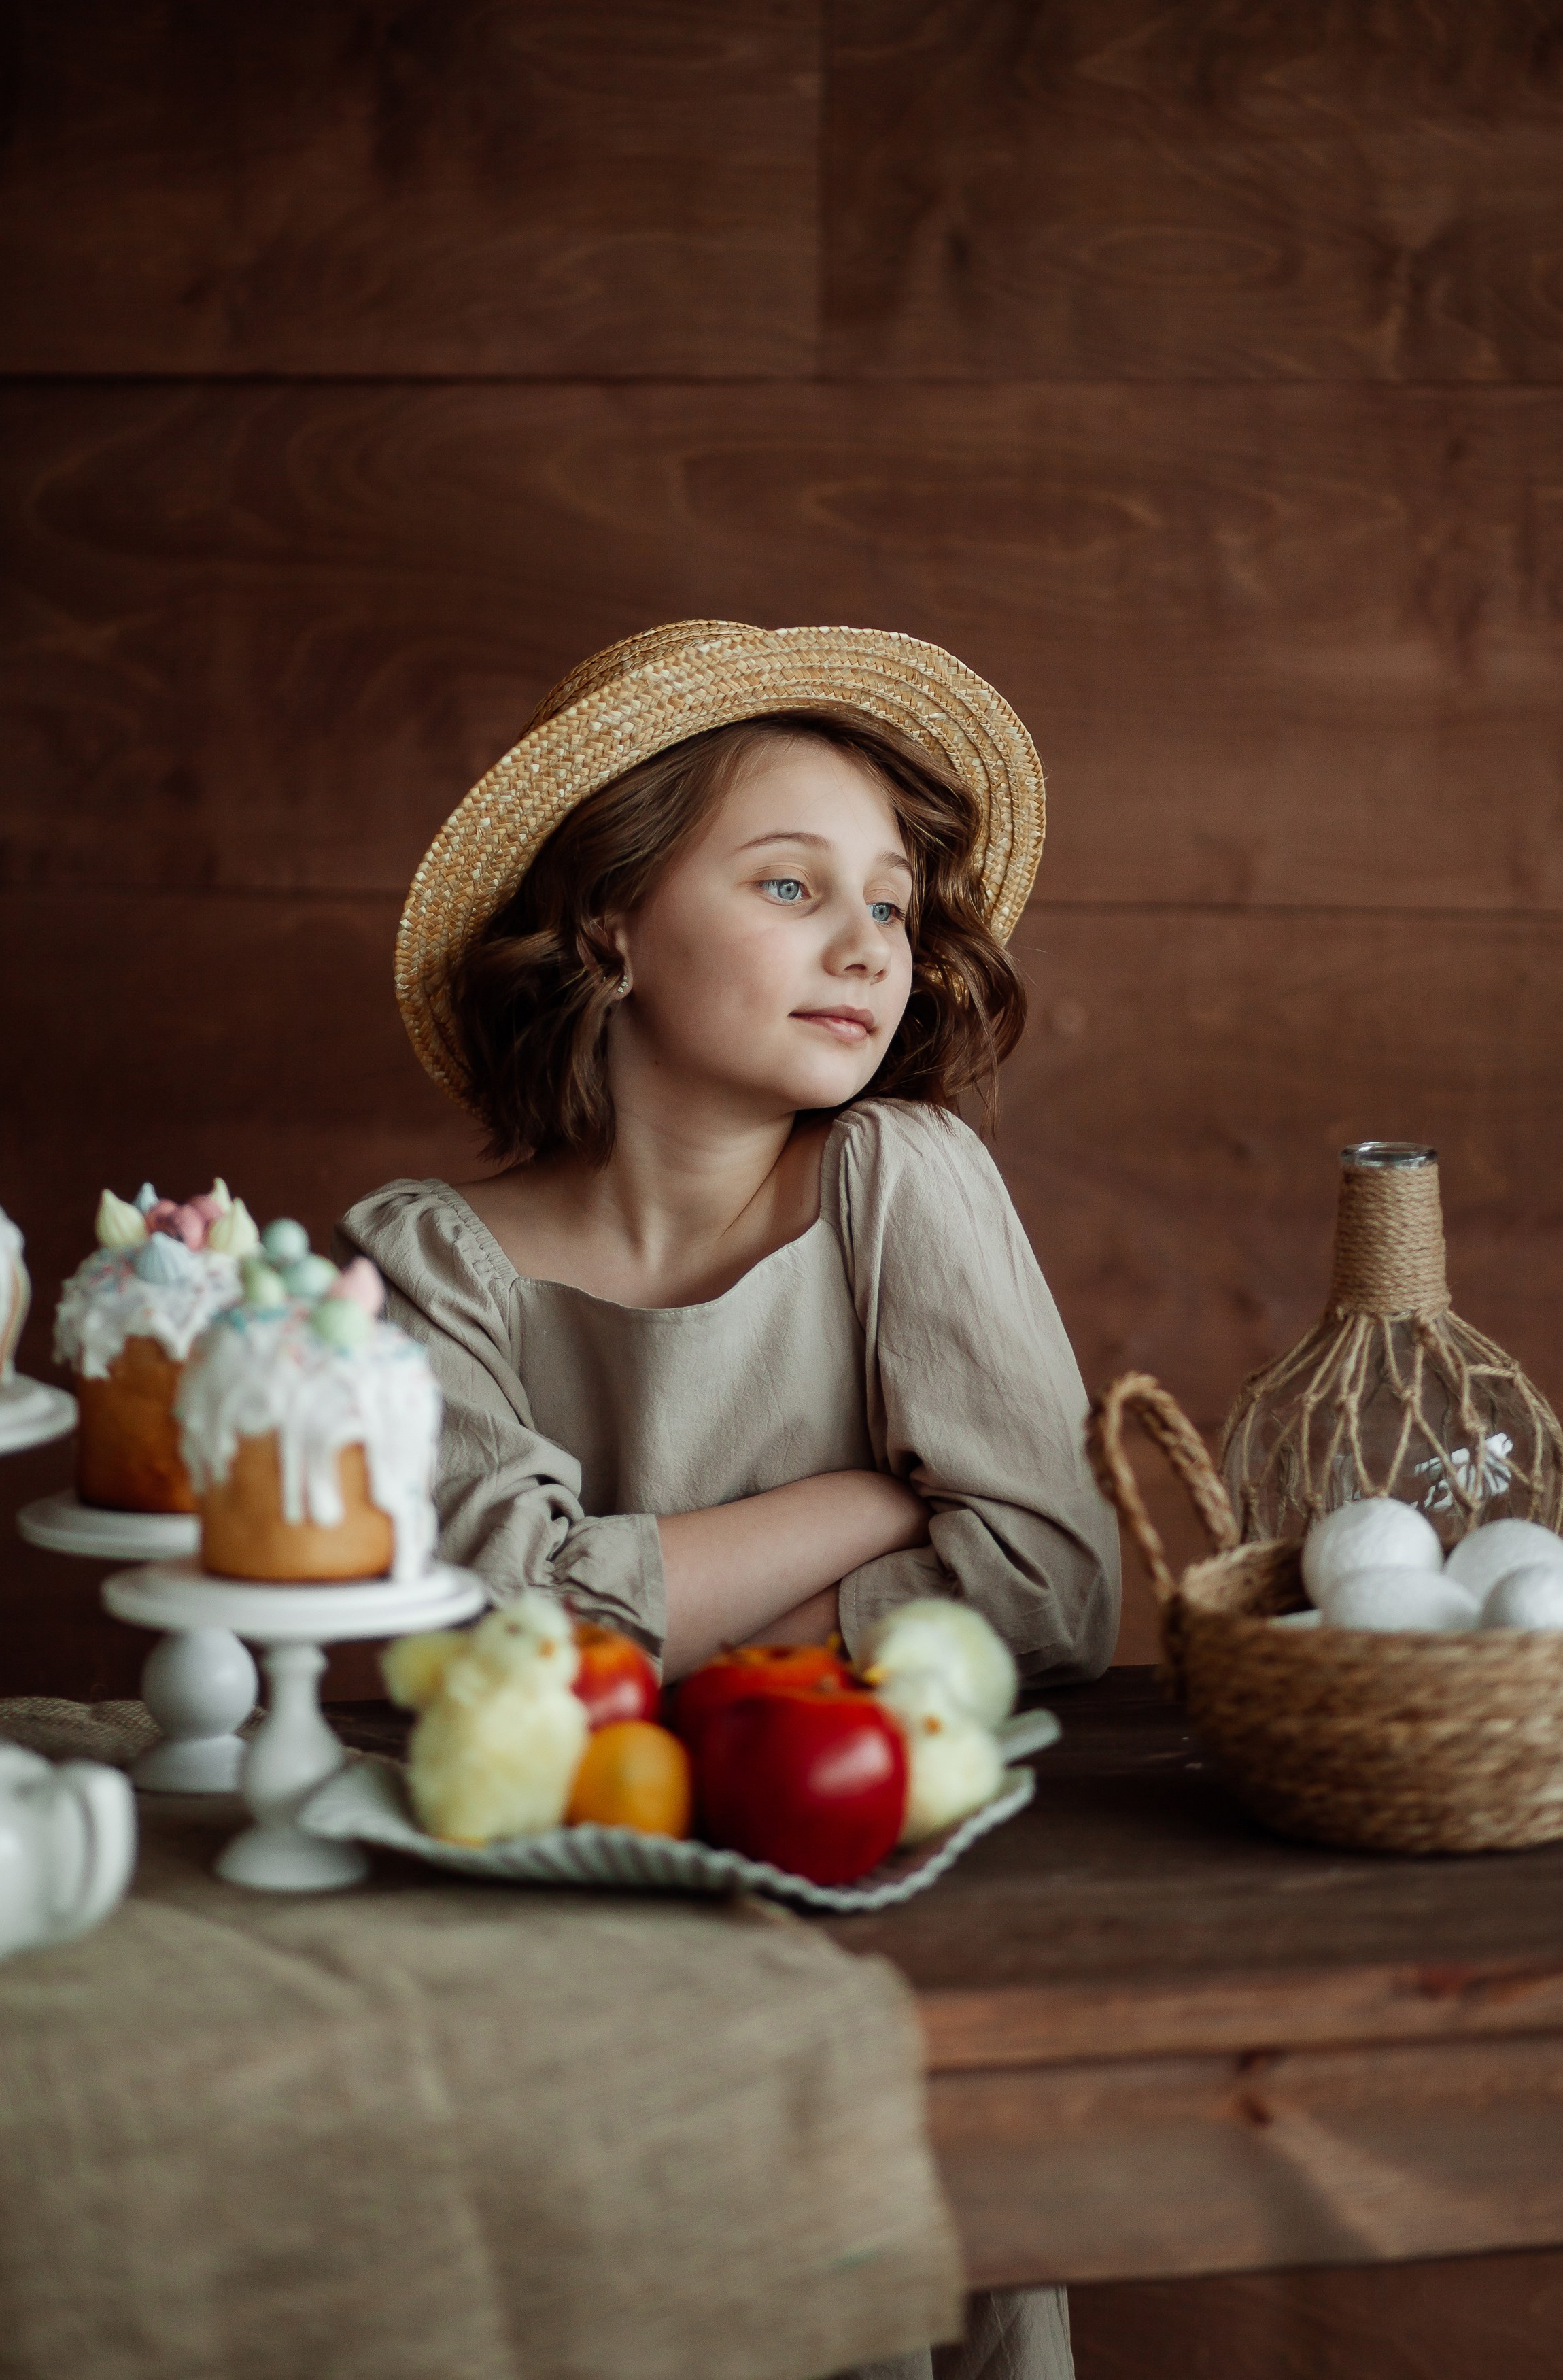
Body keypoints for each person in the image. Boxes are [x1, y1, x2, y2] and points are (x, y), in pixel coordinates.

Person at [341, 619, 1120, 2380]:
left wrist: (655, 1650)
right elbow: (488, 1630)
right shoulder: (427, 1267)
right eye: (790, 884)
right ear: (611, 918)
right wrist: (867, 1493)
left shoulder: (902, 1183)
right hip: (540, 1969)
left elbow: (1055, 1583)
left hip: (881, 1956)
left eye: (896, 906)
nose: (867, 946)